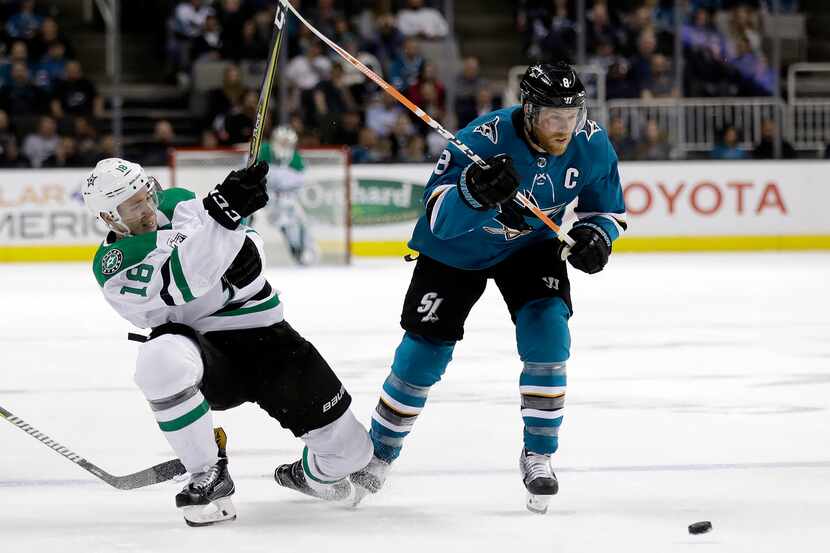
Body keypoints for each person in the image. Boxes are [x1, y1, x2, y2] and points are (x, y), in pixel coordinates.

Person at [349, 62, 627, 514]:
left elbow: (607, 211)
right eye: (554, 118)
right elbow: (439, 219)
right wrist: (475, 193)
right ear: (530, 111)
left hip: (531, 246)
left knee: (548, 331)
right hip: (455, 251)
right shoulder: (483, 139)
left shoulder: (591, 144)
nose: (565, 128)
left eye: (571, 116)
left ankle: (538, 454)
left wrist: (598, 236)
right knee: (424, 354)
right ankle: (377, 455)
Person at [82, 158, 372, 526]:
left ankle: (308, 476)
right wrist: (225, 218)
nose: (148, 209)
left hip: (267, 338)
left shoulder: (178, 201)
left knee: (352, 454)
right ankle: (207, 471)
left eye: (147, 195)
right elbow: (183, 281)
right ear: (109, 218)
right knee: (158, 360)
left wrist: (246, 239)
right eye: (134, 205)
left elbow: (237, 238)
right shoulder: (114, 264)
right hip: (206, 353)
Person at [260, 126, 319, 265]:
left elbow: (299, 186)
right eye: (282, 142)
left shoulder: (296, 160)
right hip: (263, 198)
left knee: (300, 219)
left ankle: (302, 249)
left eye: (288, 143)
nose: (285, 147)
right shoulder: (263, 151)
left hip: (285, 199)